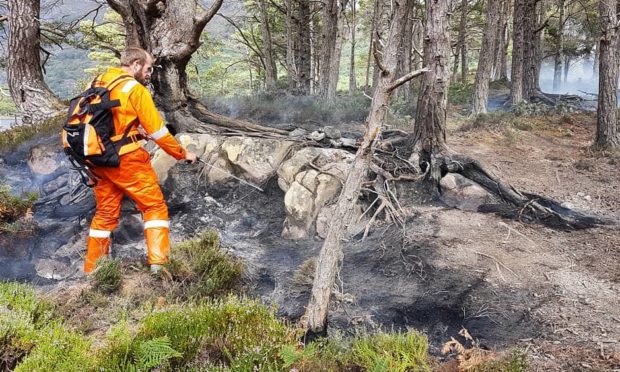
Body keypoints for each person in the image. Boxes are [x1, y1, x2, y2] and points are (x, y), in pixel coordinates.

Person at [83, 47, 197, 274]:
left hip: (96, 159)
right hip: (126, 160)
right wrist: (183, 154)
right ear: (135, 64)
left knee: (105, 215)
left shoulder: (96, 84)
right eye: (148, 68)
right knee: (154, 206)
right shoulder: (134, 89)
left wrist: (133, 131)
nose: (149, 73)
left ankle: (94, 270)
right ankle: (160, 266)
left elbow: (105, 123)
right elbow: (159, 133)